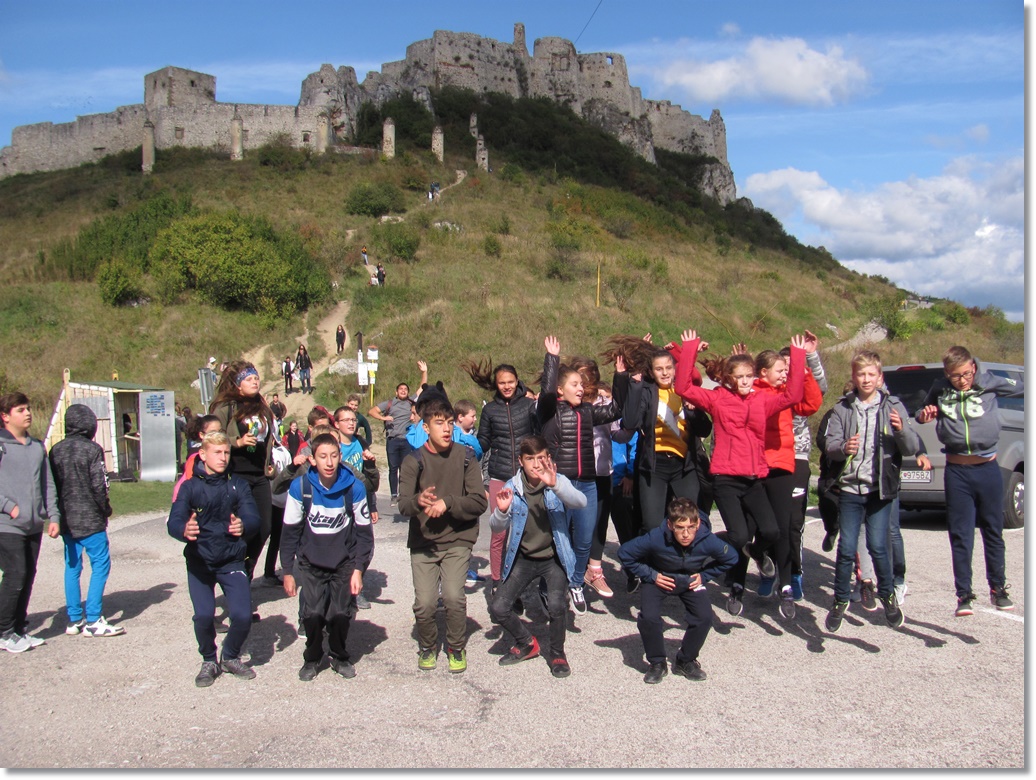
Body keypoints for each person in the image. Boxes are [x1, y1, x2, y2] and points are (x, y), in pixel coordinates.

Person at [673, 328, 806, 618]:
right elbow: (682, 387)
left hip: (754, 478)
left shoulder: (762, 400)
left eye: (749, 376)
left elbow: (794, 394)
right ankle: (719, 561)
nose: (745, 381)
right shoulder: (717, 398)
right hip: (726, 479)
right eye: (739, 377)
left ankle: (757, 554)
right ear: (729, 378)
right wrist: (689, 349)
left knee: (771, 531)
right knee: (739, 534)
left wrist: (797, 357)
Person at [915, 345, 1023, 616]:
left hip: (987, 469)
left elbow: (1022, 387)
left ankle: (998, 588)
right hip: (957, 472)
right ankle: (964, 594)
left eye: (966, 374)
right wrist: (924, 415)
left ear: (973, 367)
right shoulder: (941, 389)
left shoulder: (988, 382)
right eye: (955, 376)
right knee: (961, 534)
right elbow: (921, 411)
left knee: (992, 530)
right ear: (947, 373)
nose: (962, 380)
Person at [821, 350, 921, 633]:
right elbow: (830, 445)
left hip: (879, 490)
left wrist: (901, 431)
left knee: (878, 546)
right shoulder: (843, 408)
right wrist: (843, 448)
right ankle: (840, 600)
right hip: (850, 489)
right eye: (860, 374)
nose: (866, 379)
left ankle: (887, 596)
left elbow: (911, 447)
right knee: (846, 548)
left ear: (879, 377)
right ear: (854, 377)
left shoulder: (893, 406)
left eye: (871, 374)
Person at [397, 395, 488, 674]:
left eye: (449, 422)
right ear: (425, 427)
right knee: (425, 604)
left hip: (458, 538)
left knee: (452, 597)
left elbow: (479, 502)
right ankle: (427, 646)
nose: (447, 429)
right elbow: (403, 506)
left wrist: (448, 502)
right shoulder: (413, 460)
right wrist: (419, 501)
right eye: (439, 423)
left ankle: (456, 647)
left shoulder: (466, 457)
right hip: (424, 542)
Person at [166, 432, 261, 687]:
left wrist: (244, 525)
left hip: (231, 560)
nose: (223, 457)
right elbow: (174, 520)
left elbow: (253, 517)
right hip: (200, 562)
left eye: (227, 452)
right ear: (203, 455)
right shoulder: (190, 486)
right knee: (203, 616)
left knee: (242, 615)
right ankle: (209, 659)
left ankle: (230, 656)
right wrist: (183, 530)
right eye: (217, 452)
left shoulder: (238, 485)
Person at [537, 335, 623, 615]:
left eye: (582, 384)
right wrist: (552, 359)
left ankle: (576, 582)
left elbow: (616, 410)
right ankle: (549, 585)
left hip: (586, 484)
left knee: (585, 539)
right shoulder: (549, 410)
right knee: (558, 539)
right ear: (560, 390)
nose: (581, 387)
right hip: (559, 483)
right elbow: (546, 393)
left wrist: (621, 377)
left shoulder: (587, 411)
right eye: (575, 384)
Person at [489, 435, 585, 678]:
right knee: (499, 607)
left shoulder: (557, 481)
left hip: (553, 558)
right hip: (523, 558)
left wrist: (555, 485)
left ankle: (557, 653)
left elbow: (580, 502)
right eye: (530, 458)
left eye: (540, 458)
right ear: (520, 461)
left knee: (556, 605)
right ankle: (526, 643)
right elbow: (496, 527)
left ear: (548, 459)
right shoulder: (512, 487)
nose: (536, 464)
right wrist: (501, 512)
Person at [281, 433, 373, 680]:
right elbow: (289, 532)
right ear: (312, 459)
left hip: (344, 562)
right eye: (323, 456)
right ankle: (312, 657)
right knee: (312, 614)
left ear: (340, 456)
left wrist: (359, 569)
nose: (329, 462)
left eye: (333, 456)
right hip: (311, 563)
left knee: (340, 614)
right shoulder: (301, 487)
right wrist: (287, 571)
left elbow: (365, 535)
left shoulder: (354, 487)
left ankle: (339, 655)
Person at [618, 497, 737, 684]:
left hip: (690, 580)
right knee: (649, 617)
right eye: (680, 528)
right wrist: (651, 575)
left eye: (691, 527)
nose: (686, 534)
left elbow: (731, 557)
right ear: (670, 525)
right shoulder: (657, 536)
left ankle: (686, 660)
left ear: (698, 524)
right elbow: (625, 553)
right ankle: (657, 663)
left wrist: (704, 575)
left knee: (704, 617)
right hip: (660, 578)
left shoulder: (707, 538)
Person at [751, 339, 823, 619]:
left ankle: (788, 580)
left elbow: (811, 403)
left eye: (786, 370)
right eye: (781, 370)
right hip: (756, 464)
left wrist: (803, 370)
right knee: (762, 526)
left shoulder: (788, 392)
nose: (785, 374)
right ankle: (762, 568)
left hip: (785, 463)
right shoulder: (756, 392)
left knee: (786, 525)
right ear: (764, 372)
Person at [463, 358, 539, 599]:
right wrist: (469, 450)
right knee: (499, 534)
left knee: (526, 532)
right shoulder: (490, 410)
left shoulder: (529, 405)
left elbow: (539, 434)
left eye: (510, 382)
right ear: (496, 385)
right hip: (499, 476)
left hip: (526, 477)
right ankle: (497, 581)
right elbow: (484, 440)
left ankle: (518, 580)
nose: (507, 386)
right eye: (502, 383)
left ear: (517, 382)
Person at [49, 404, 125, 637]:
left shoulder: (55, 450)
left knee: (72, 566)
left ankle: (74, 619)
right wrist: (105, 509)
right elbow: (99, 485)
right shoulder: (92, 450)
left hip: (66, 517)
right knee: (100, 564)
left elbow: (52, 486)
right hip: (91, 517)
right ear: (90, 426)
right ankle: (93, 617)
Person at [209, 360, 276, 592]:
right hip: (236, 473)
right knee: (243, 527)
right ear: (238, 384)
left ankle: (244, 571)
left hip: (259, 474)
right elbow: (212, 437)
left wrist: (270, 464)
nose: (255, 381)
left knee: (265, 526)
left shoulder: (262, 406)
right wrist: (236, 442)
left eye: (256, 377)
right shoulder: (226, 407)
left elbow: (269, 439)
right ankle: (232, 571)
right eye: (249, 379)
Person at [0, 392, 59, 653]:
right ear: (5, 416)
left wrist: (53, 516)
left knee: (28, 575)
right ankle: (3, 632)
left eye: (28, 408)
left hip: (34, 524)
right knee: (16, 574)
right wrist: (9, 507)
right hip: (6, 524)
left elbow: (47, 483)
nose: (28, 413)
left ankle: (18, 629)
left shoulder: (37, 446)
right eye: (20, 410)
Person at [369, 381, 416, 505]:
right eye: (401, 389)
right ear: (396, 392)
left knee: (404, 468)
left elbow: (422, 388)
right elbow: (372, 411)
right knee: (393, 468)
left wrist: (424, 373)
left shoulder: (411, 403)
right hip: (392, 440)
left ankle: (403, 494)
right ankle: (393, 495)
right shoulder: (389, 403)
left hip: (406, 440)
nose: (403, 390)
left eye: (405, 389)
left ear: (408, 392)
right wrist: (383, 418)